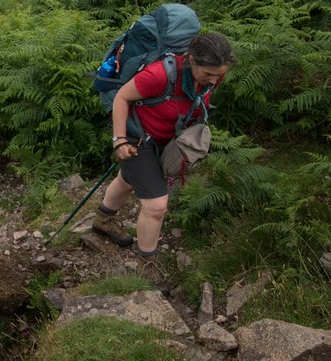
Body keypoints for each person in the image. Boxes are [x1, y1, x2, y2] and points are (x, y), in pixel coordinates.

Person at [91, 32, 234, 270]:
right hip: (137, 137)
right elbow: (121, 98)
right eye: (207, 74)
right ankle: (147, 266)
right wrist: (120, 141)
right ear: (191, 60)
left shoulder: (213, 74)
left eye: (218, 74)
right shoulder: (158, 74)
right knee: (156, 206)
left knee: (127, 180)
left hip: (168, 136)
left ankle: (102, 222)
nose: (213, 80)